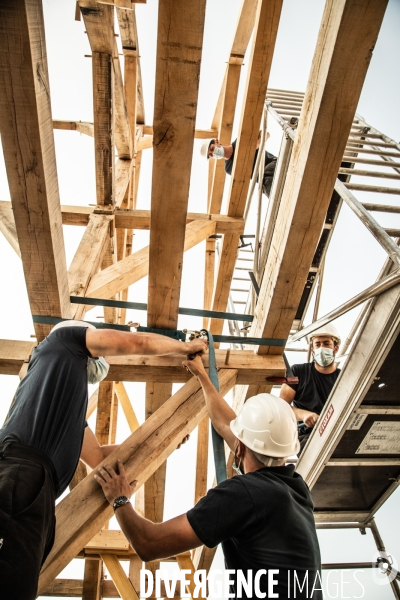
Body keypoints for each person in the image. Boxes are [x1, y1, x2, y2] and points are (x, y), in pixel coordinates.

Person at [0, 320, 208, 600]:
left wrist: (163, 442)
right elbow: (138, 343)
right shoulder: (65, 339)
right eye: (100, 353)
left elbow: (97, 457)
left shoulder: (62, 401)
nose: (103, 359)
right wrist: (187, 347)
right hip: (21, 478)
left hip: (31, 485)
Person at [95, 355, 322, 600]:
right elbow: (228, 426)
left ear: (240, 449)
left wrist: (120, 499)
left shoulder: (245, 494)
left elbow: (149, 544)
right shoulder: (296, 488)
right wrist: (203, 378)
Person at [280, 324, 341, 453]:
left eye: (326, 343)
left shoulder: (344, 377)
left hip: (337, 433)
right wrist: (303, 415)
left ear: (335, 348)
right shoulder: (297, 372)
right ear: (312, 350)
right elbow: (281, 406)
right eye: (317, 344)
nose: (322, 348)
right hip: (307, 436)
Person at [200, 132, 277, 197]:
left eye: (212, 149)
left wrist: (256, 145)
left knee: (266, 178)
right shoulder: (229, 168)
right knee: (268, 191)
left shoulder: (239, 142)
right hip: (264, 180)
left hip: (272, 164)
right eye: (211, 155)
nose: (214, 153)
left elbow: (266, 133)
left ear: (216, 141)